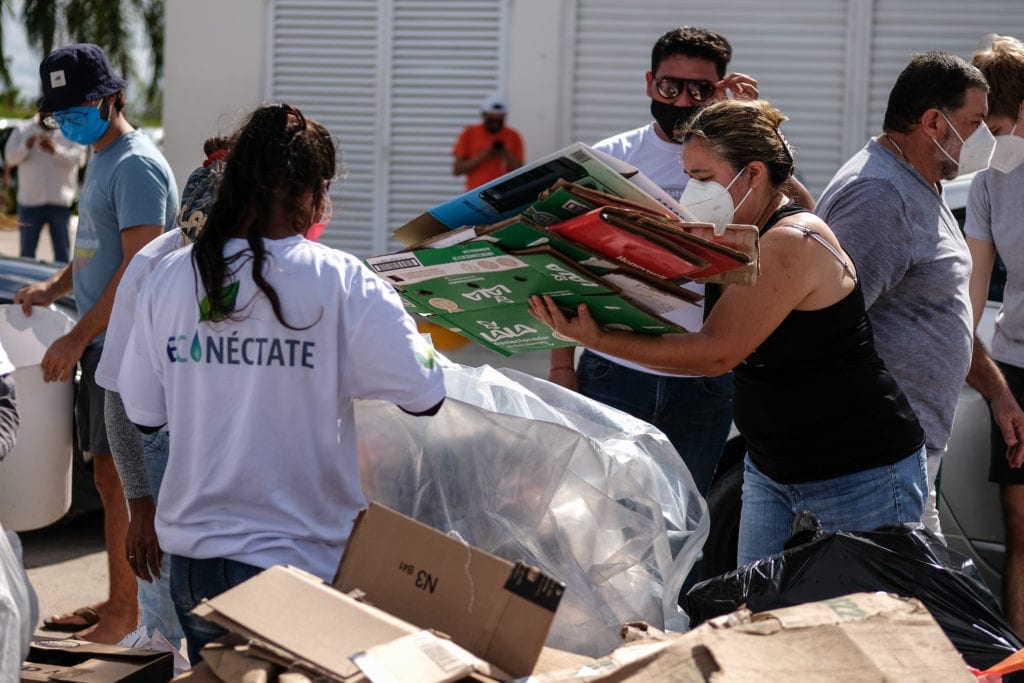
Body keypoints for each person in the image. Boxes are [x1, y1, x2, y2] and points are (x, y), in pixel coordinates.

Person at [529, 99, 927, 565]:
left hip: (859, 473)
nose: (688, 191)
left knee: (863, 627)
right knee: (755, 621)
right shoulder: (738, 231)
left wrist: (595, 339)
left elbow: (714, 354)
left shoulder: (791, 240)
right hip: (771, 469)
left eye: (701, 177)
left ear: (753, 174)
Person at [116, 103, 446, 663]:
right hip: (299, 568)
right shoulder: (342, 281)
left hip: (195, 565)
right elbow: (425, 394)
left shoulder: (170, 276)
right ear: (313, 192)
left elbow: (145, 413)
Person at [548, 26, 812, 498]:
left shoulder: (740, 158)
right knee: (596, 515)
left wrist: (757, 130)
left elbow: (800, 215)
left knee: (683, 525)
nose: (683, 100)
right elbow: (566, 264)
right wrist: (561, 367)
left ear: (719, 90)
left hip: (704, 377)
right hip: (614, 364)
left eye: (701, 90)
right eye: (671, 87)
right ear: (651, 84)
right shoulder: (610, 158)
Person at [13, 43, 178, 644]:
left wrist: (77, 337)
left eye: (77, 108)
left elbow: (139, 269)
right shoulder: (101, 157)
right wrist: (54, 286)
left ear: (111, 98)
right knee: (111, 481)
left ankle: (129, 615)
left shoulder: (135, 164)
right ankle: (119, 601)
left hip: (126, 351)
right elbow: (97, 253)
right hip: (104, 345)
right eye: (58, 115)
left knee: (128, 486)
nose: (68, 123)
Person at [816, 51, 995, 540]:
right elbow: (826, 327)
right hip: (879, 457)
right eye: (975, 123)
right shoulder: (879, 195)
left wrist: (997, 392)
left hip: (906, 451)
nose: (985, 139)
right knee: (900, 606)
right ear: (934, 122)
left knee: (920, 605)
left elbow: (938, 308)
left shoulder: (921, 182)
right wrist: (877, 437)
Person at [96, 136, 232, 652]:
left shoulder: (277, 260)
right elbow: (118, 394)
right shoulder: (154, 267)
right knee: (167, 619)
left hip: (231, 447)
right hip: (166, 443)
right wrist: (141, 506)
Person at [963, 34, 1024, 636]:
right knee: (1020, 526)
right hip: (1017, 368)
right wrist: (962, 349)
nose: (989, 140)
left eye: (997, 125)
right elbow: (974, 287)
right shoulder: (988, 181)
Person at [3, 110, 87, 262]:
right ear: (39, 110)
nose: (49, 116)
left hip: (60, 201)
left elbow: (80, 159)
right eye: (45, 111)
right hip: (30, 202)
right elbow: (10, 158)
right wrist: (25, 146)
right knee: (27, 254)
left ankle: (61, 286)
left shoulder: (71, 128)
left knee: (62, 254)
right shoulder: (23, 129)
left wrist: (55, 150)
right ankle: (25, 284)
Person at [452, 94, 524, 190]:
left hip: (504, 191)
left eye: (499, 121)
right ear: (484, 115)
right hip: (475, 192)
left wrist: (505, 154)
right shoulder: (469, 133)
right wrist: (483, 156)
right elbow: (457, 170)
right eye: (491, 120)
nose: (495, 124)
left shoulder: (513, 135)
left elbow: (520, 171)